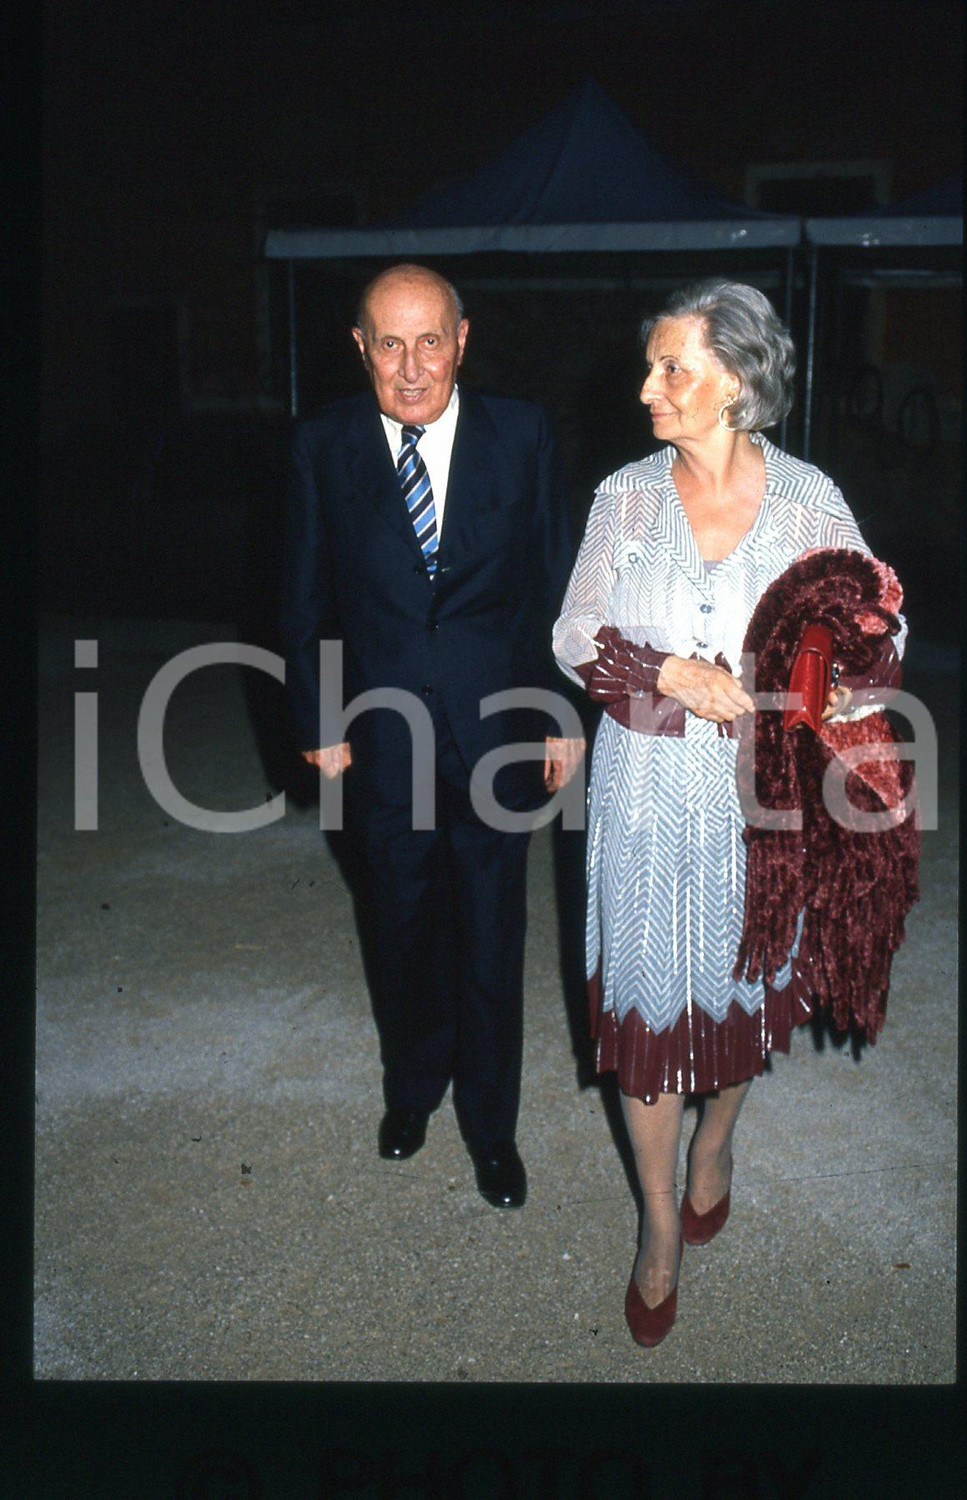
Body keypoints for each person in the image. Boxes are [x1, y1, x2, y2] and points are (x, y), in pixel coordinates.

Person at [553, 278, 905, 1343]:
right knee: (648, 1010)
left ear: (739, 383)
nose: (647, 385)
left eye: (674, 367)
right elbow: (570, 634)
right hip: (645, 794)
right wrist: (665, 671)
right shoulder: (623, 496)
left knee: (742, 989)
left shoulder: (808, 502)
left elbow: (878, 621)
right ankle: (658, 1224)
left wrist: (848, 681)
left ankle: (718, 1141)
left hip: (765, 804)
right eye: (653, 363)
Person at [282, 263, 584, 1209]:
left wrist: (564, 715)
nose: (411, 368)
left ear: (462, 339)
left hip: (497, 731)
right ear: (360, 347)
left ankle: (491, 1129)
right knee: (402, 927)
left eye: (429, 342)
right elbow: (301, 596)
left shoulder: (523, 434)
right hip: (379, 739)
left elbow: (555, 587)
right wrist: (317, 719)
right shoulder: (322, 445)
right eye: (389, 343)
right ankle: (413, 1091)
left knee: (493, 936)